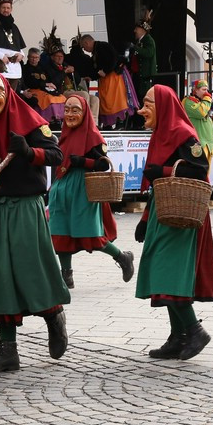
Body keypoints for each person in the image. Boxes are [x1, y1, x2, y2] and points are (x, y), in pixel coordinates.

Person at [0, 71, 70, 374]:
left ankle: (54, 317)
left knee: (31, 270)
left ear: (7, 92)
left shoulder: (29, 120)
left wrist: (28, 152)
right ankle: (7, 350)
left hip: (25, 207)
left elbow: (55, 154)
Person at [134, 85, 213, 360]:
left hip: (183, 211)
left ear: (163, 106)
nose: (140, 110)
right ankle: (178, 336)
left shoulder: (183, 133)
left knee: (167, 271)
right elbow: (155, 183)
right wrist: (146, 217)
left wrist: (165, 170)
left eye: (147, 104)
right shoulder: (159, 135)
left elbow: (200, 168)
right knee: (160, 269)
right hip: (163, 207)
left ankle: (194, 330)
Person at [49, 92, 135, 288]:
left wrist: (82, 161)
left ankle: (122, 257)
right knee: (59, 232)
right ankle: (66, 276)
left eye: (75, 110)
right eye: (67, 110)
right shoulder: (63, 135)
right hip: (62, 188)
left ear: (85, 112)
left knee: (89, 234)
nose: (70, 114)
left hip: (83, 189)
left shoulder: (93, 135)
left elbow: (102, 164)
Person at [20, 47, 67, 123]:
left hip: (45, 90)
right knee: (49, 99)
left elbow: (48, 80)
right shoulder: (25, 68)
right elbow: (29, 82)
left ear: (39, 58)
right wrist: (45, 84)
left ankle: (60, 118)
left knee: (61, 97)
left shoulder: (43, 68)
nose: (34, 59)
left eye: (36, 57)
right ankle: (51, 119)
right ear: (28, 57)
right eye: (32, 57)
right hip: (32, 90)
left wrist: (50, 85)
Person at [182, 81, 213, 164]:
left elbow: (212, 120)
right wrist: (208, 99)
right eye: (203, 89)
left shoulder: (203, 103)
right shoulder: (187, 101)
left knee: (206, 173)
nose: (206, 92)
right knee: (199, 172)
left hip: (209, 143)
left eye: (207, 90)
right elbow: (201, 113)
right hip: (197, 143)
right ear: (196, 90)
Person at [129, 12, 156, 109]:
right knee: (140, 99)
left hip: (145, 77)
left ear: (142, 30)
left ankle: (145, 122)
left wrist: (135, 48)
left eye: (136, 28)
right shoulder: (140, 41)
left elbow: (149, 53)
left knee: (145, 99)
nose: (134, 30)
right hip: (139, 76)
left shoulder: (148, 40)